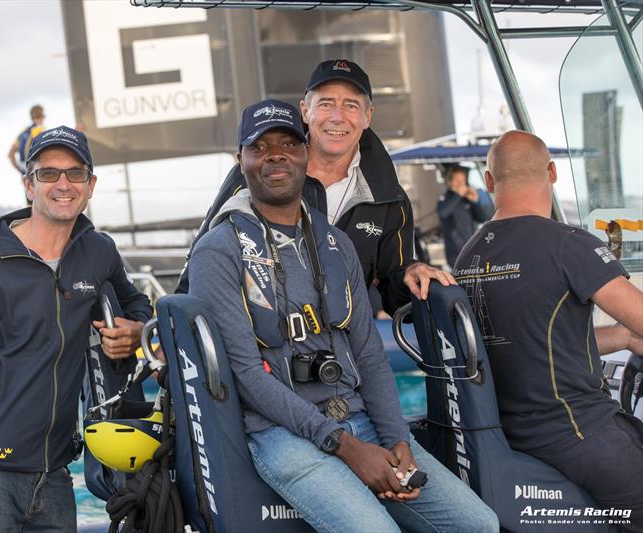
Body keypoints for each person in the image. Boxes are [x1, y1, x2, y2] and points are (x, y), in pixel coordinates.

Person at [188, 99, 499, 533]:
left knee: (478, 525)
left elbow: (369, 354)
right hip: (282, 434)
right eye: (259, 147)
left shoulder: (336, 243)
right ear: (241, 160)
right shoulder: (218, 251)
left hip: (360, 422)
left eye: (287, 144)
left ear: (304, 154)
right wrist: (346, 447)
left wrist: (396, 440)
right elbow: (245, 374)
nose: (275, 155)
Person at [0, 125, 152, 533]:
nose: (63, 184)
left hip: (57, 476)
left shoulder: (99, 252)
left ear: (91, 185)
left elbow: (138, 306)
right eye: (48, 174)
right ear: (29, 185)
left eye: (75, 173)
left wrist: (135, 332)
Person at [454, 130, 643, 532]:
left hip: (516, 435)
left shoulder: (469, 256)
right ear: (553, 172)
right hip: (580, 435)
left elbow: (532, 338)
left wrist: (624, 338)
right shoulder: (567, 244)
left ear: (489, 181)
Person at [178, 59, 454, 313]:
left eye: (351, 105)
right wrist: (176, 333)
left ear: (367, 116)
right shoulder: (260, 170)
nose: (337, 116)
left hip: (343, 349)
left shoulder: (390, 200)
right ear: (305, 111)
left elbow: (393, 291)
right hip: (255, 342)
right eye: (325, 104)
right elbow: (203, 256)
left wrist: (414, 273)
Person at [436, 165, 494, 268]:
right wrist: (458, 195)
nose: (461, 184)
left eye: (462, 181)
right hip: (455, 252)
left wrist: (476, 202)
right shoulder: (445, 199)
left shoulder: (466, 200)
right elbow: (443, 212)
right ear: (449, 182)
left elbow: (485, 218)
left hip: (472, 248)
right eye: (457, 181)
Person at [9, 105, 46, 204]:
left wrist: (21, 169)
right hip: (38, 173)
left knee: (30, 204)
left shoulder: (23, 133)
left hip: (25, 173)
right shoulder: (39, 130)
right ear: (42, 116)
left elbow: (10, 154)